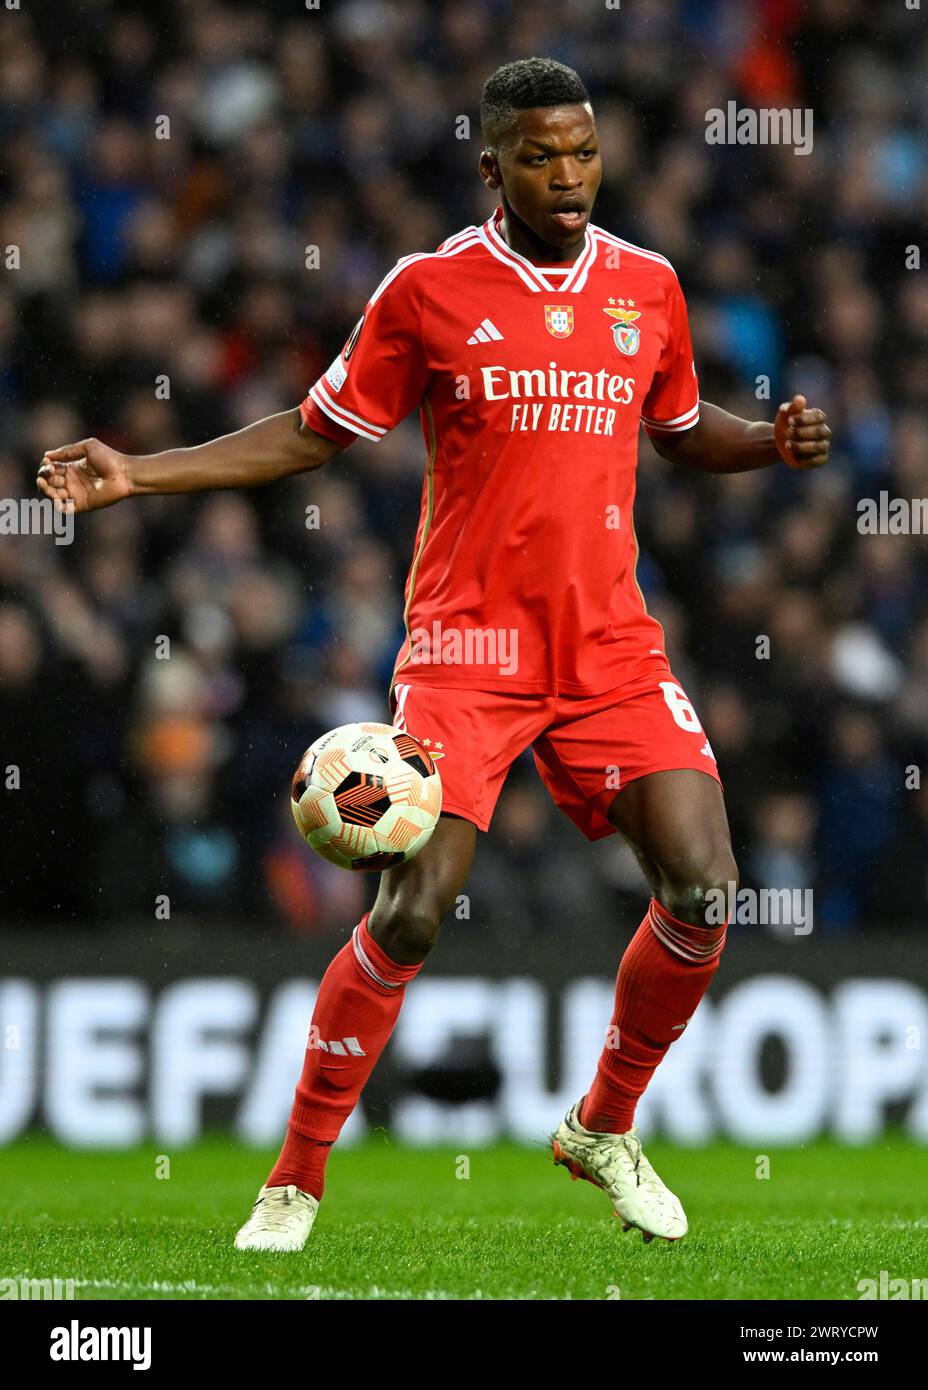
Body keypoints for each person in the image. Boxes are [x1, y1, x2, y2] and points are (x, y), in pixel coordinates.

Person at [37, 57, 831, 1250]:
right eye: (540, 155)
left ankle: (600, 1126)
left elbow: (677, 431)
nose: (567, 175)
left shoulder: (647, 287)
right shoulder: (429, 290)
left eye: (583, 152)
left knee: (704, 888)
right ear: (492, 165)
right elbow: (312, 433)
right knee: (413, 914)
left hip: (610, 644)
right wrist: (142, 471)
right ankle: (295, 1179)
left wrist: (764, 444)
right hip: (466, 652)